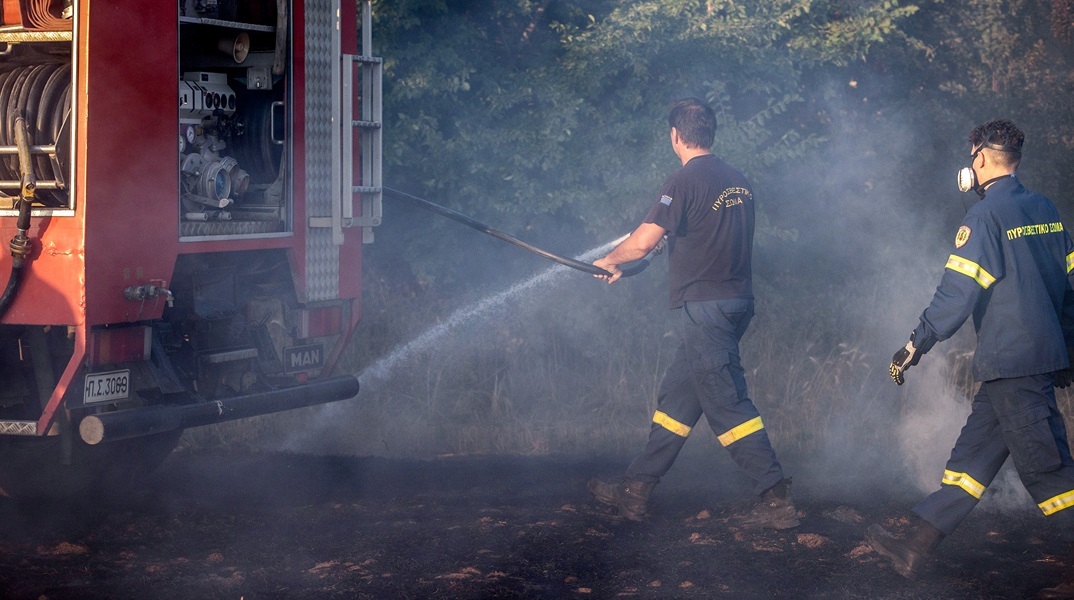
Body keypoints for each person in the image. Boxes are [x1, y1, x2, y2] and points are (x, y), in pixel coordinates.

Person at [869, 119, 1074, 598]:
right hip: (1021, 366)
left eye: (972, 156)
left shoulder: (983, 218)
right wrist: (1065, 351)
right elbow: (1070, 290)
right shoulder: (1045, 209)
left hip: (1013, 363)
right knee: (970, 463)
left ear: (980, 158)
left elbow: (957, 294)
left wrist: (915, 344)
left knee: (1049, 474)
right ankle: (915, 548)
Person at [586, 97, 798, 529]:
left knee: (727, 404)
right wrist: (644, 254)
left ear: (675, 136)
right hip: (736, 304)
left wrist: (610, 260)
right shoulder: (738, 181)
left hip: (706, 309)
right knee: (678, 399)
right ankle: (636, 489)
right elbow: (696, 235)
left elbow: (643, 241)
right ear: (710, 133)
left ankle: (777, 502)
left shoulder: (683, 180)